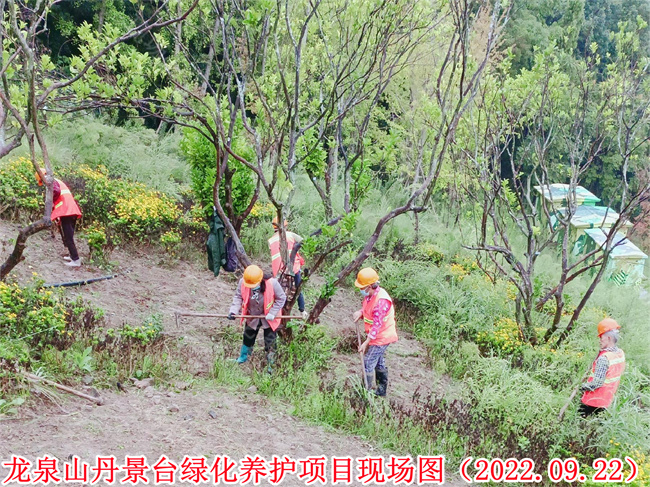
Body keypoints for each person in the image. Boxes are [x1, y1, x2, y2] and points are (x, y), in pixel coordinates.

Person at [228, 264, 287, 369]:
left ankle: (271, 364)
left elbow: (281, 298)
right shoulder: (243, 282)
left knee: (270, 341)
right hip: (252, 315)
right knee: (248, 336)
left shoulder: (272, 283)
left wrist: (273, 313)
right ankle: (244, 357)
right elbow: (238, 297)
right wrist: (233, 311)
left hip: (268, 317)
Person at [352, 267, 398, 396]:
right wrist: (360, 312)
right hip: (376, 335)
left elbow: (377, 324)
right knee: (379, 361)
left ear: (369, 286)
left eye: (362, 287)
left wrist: (365, 343)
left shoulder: (381, 301)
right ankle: (381, 391)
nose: (360, 289)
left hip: (382, 336)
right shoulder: (371, 295)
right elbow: (369, 310)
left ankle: (364, 392)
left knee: (368, 361)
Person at [579, 318, 626, 418]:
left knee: (580, 422)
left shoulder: (604, 358)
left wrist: (581, 387)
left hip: (593, 401)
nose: (600, 340)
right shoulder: (620, 354)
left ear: (608, 338)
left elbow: (597, 383)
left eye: (601, 337)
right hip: (607, 401)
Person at [36, 171, 83, 267]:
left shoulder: (51, 181)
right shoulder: (56, 180)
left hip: (67, 211)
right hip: (70, 210)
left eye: (41, 180)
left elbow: (56, 192)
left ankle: (76, 260)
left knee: (68, 237)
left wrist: (51, 202)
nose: (43, 182)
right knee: (69, 236)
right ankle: (73, 256)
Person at [268, 217, 307, 319]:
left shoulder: (271, 240)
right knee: (298, 288)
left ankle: (276, 311)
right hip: (294, 267)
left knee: (279, 290)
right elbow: (304, 241)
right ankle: (302, 310)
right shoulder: (290, 235)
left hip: (279, 271)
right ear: (285, 226)